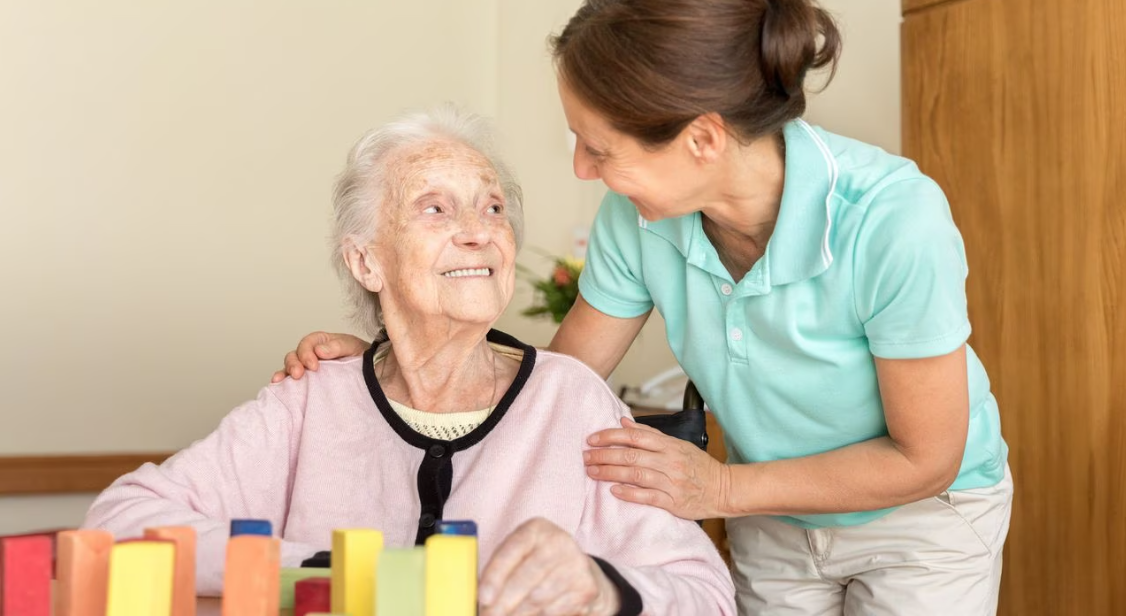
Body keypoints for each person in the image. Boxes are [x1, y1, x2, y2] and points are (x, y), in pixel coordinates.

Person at [277, 0, 1015, 614]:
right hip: (769, 515)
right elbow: (556, 385)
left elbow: (927, 456)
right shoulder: (638, 221)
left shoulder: (889, 218)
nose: (581, 168)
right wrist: (400, 361)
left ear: (701, 140)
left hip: (922, 520)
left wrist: (720, 485)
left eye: (598, 148)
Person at [84, 106, 736, 615]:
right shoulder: (312, 398)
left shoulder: (570, 399)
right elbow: (122, 522)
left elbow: (703, 593)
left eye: (493, 207)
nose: (478, 230)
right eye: (434, 208)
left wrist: (600, 588)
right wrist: (346, 571)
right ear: (366, 261)